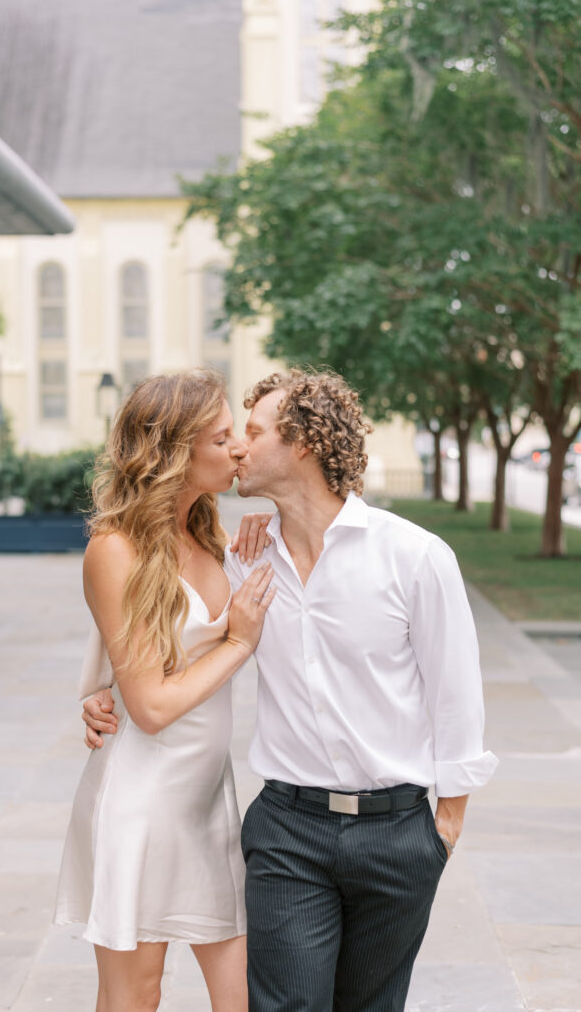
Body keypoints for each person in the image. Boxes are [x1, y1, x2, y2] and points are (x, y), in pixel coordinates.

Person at [84, 369, 498, 1012]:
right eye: (228, 436)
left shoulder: (408, 556)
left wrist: (444, 825)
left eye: (250, 433)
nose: (240, 448)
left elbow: (457, 694)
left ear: (301, 443)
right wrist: (102, 690)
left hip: (385, 829)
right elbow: (147, 632)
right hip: (278, 826)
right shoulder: (244, 556)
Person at [55, 369, 276, 1012]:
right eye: (222, 437)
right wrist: (238, 642)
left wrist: (269, 528)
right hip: (141, 801)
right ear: (172, 452)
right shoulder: (114, 547)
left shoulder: (207, 533)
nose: (237, 448)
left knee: (244, 998)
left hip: (209, 800)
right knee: (135, 997)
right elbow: (149, 706)